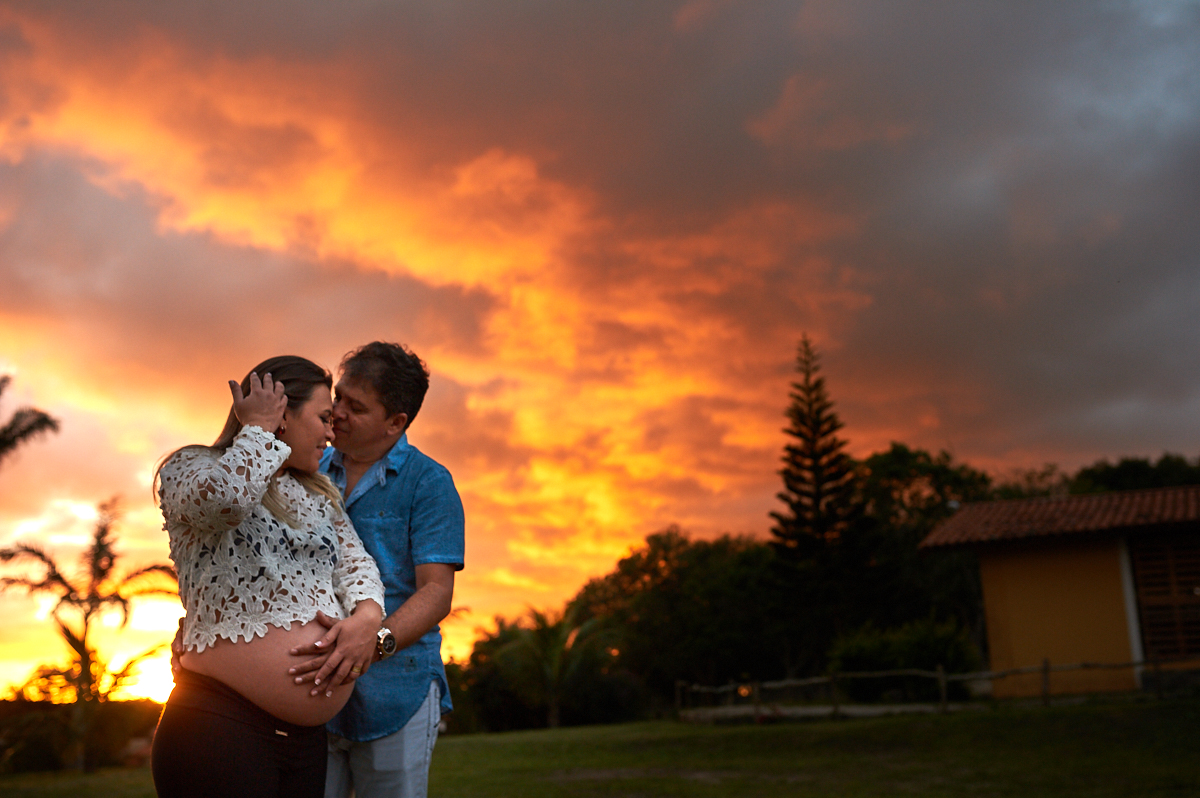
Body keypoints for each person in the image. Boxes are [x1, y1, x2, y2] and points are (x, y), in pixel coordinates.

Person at [152, 356, 386, 798]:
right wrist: (256, 430)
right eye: (322, 418)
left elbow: (358, 568)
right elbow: (226, 503)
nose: (331, 434)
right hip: (220, 727)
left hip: (303, 743)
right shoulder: (189, 467)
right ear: (281, 415)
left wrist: (367, 619)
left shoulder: (318, 495)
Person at [286, 342, 465, 798]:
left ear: (396, 422)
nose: (337, 413)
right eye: (338, 397)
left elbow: (436, 593)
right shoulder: (308, 465)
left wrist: (375, 641)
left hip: (396, 692)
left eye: (356, 407)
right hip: (311, 692)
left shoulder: (430, 482)